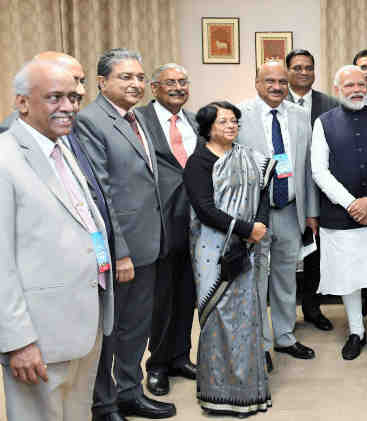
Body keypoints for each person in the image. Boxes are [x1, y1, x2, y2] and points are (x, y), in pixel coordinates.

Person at [0, 59, 113, 421]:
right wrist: (17, 341)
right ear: (22, 103)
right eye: (54, 98)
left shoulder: (60, 145)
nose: (68, 107)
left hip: (83, 323)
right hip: (39, 336)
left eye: (73, 98)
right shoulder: (5, 159)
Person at [75, 48, 176, 420]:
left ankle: (131, 392)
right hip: (122, 250)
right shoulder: (90, 121)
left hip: (150, 242)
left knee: (137, 327)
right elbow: (101, 194)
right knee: (111, 330)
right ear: (102, 82)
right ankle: (105, 404)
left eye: (138, 77)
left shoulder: (138, 118)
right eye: (125, 77)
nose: (135, 84)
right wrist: (119, 253)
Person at [183, 101, 271, 417]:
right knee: (217, 317)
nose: (231, 126)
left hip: (248, 247)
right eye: (223, 122)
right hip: (213, 251)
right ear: (208, 127)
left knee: (248, 316)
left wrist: (258, 228)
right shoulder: (199, 162)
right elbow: (205, 209)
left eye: (234, 121)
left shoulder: (249, 157)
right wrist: (247, 229)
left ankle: (249, 391)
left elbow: (264, 189)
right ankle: (217, 394)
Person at [311, 65, 367, 360]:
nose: (356, 89)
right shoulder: (323, 122)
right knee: (348, 275)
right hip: (340, 217)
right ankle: (355, 331)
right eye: (349, 85)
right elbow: (319, 170)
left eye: (361, 84)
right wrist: (353, 203)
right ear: (338, 89)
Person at [238, 60, 319, 370]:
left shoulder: (300, 116)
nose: (276, 87)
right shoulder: (240, 114)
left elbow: (308, 168)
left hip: (290, 210)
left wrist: (311, 212)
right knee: (256, 278)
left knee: (286, 276)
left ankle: (284, 336)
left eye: (282, 82)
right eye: (269, 81)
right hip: (255, 212)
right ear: (257, 83)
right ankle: (259, 343)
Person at [136, 63, 199, 397]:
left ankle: (180, 357)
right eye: (170, 82)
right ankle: (157, 365)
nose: (178, 87)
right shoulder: (139, 121)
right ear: (154, 87)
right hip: (158, 222)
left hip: (194, 222)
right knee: (162, 299)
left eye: (183, 82)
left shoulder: (194, 121)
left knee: (187, 293)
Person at [285, 48, 338, 332]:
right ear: (287, 71)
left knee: (315, 253)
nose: (303, 72)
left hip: (320, 190)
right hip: (286, 190)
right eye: (297, 67)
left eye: (308, 67)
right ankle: (284, 315)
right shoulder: (277, 100)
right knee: (283, 254)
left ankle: (313, 307)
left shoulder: (330, 104)